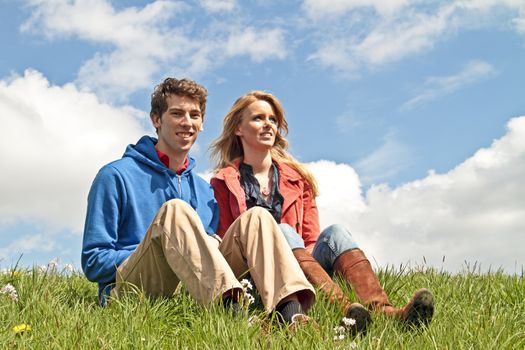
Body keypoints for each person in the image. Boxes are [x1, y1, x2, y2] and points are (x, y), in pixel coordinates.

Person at [81, 79, 315, 327]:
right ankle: (236, 318)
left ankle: (290, 315)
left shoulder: (205, 190)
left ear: (202, 123)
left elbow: (208, 258)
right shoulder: (115, 176)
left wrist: (205, 245)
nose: (187, 122)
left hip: (194, 291)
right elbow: (94, 261)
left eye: (194, 115)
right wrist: (164, 245)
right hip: (135, 288)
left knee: (256, 216)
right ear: (156, 120)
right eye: (177, 113)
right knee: (175, 211)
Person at [210, 91, 434, 334]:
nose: (268, 125)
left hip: (302, 266)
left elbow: (310, 238)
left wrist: (301, 263)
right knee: (283, 231)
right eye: (258, 118)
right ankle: (346, 311)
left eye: (272, 119)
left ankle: (384, 312)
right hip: (257, 273)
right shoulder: (223, 182)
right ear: (238, 129)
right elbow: (228, 242)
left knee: (336, 232)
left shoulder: (298, 179)